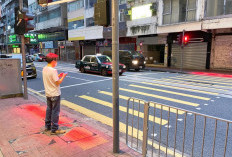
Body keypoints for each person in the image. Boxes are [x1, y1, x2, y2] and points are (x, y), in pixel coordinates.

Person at [42, 53, 67, 135]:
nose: (56, 62)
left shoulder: (44, 68)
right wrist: (63, 76)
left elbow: (50, 78)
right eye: (56, 60)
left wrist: (58, 75)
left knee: (49, 110)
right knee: (55, 112)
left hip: (48, 94)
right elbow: (57, 83)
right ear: (53, 61)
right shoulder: (53, 70)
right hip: (55, 94)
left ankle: (47, 126)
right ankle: (55, 129)